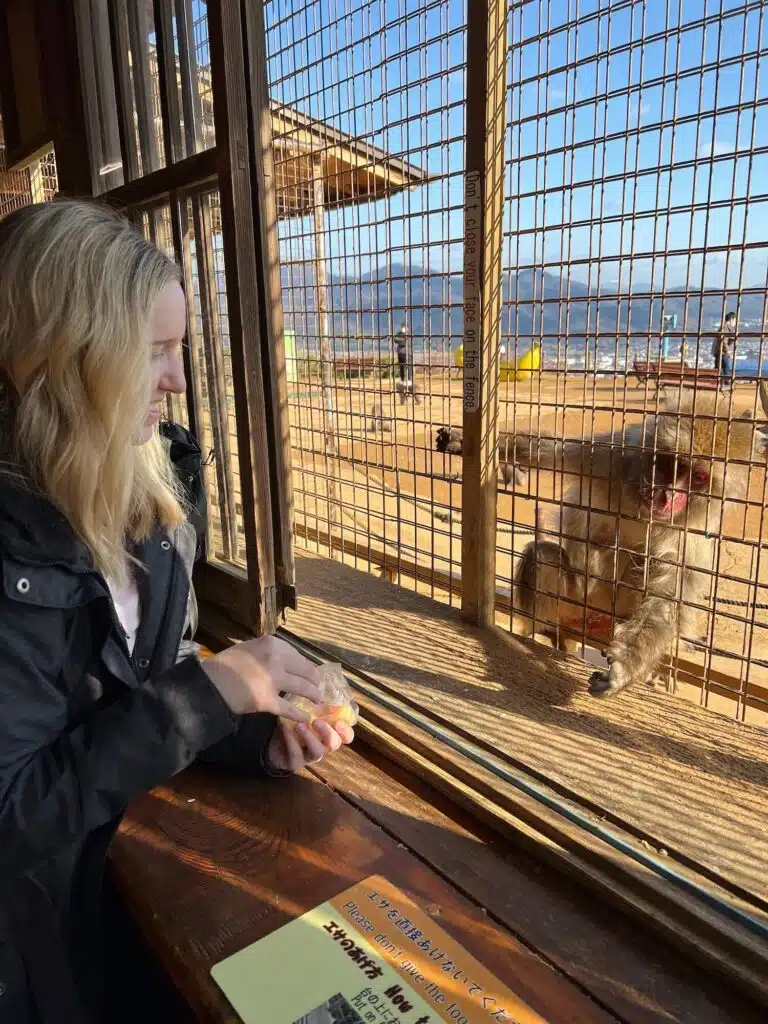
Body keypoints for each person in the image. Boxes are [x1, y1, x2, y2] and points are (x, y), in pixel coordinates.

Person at [0, 200, 354, 1023]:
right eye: (153, 352)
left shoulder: (149, 489)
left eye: (181, 349)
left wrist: (253, 731)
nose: (179, 381)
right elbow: (13, 819)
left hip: (111, 897)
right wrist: (207, 691)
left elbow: (137, 691)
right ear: (64, 359)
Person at [713, 311, 737, 389]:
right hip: (722, 353)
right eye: (735, 320)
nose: (735, 323)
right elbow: (723, 341)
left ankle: (717, 382)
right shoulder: (725, 327)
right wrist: (728, 352)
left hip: (719, 352)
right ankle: (726, 384)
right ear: (732, 319)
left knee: (718, 368)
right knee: (725, 368)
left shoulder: (724, 327)